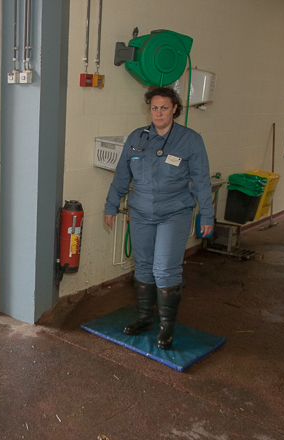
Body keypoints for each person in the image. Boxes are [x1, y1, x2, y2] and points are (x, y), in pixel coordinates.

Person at [104, 86, 214, 350]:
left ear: (175, 109)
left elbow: (200, 181)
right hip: (141, 211)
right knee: (142, 265)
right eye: (154, 107)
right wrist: (110, 206)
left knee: (164, 268)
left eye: (164, 107)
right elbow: (122, 176)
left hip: (174, 213)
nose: (159, 113)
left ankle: (166, 327)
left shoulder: (190, 140)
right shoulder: (136, 138)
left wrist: (207, 214)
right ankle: (144, 318)